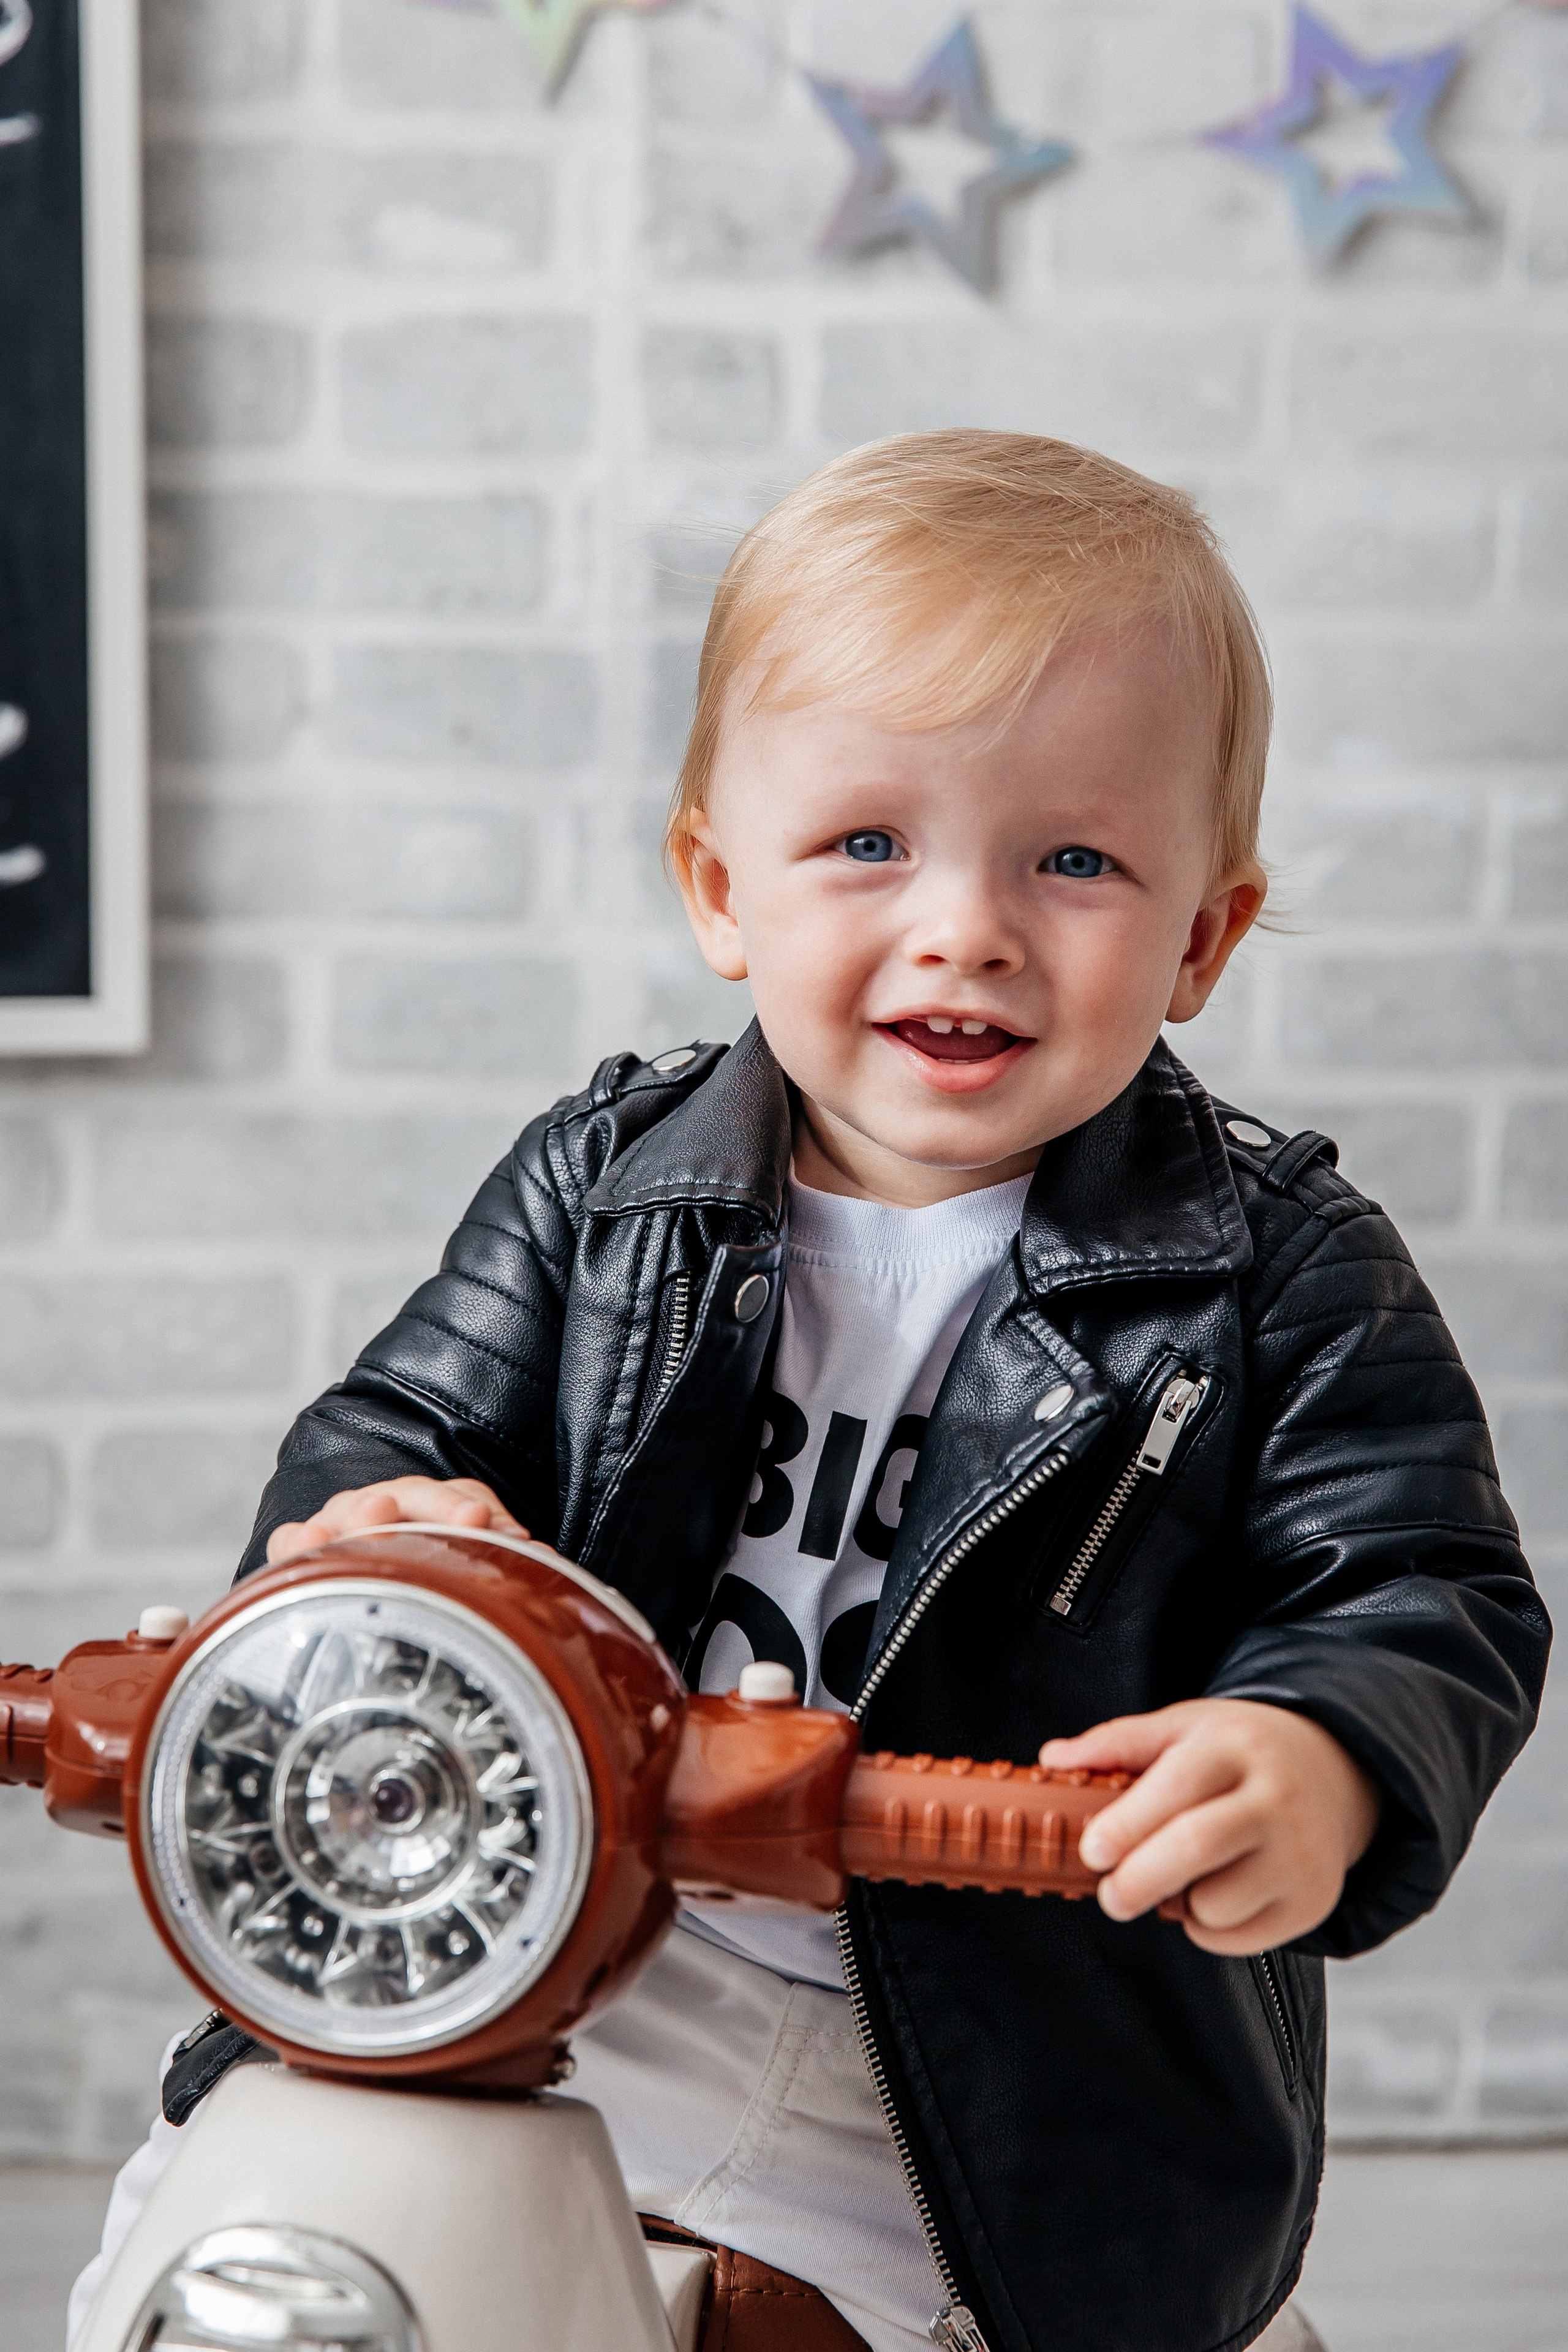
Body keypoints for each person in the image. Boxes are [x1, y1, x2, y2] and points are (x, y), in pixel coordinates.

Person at [75, 432, 1546, 2352]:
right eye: (869, 844)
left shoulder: (1277, 1268)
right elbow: (407, 1428)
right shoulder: (605, 1191)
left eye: (1076, 861)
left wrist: (1323, 1752)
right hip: (587, 1937)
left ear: (1202, 935)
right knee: (236, 2234)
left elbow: (1423, 1588)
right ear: (720, 888)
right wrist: (375, 1529)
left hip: (1012, 2035)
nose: (966, 928)